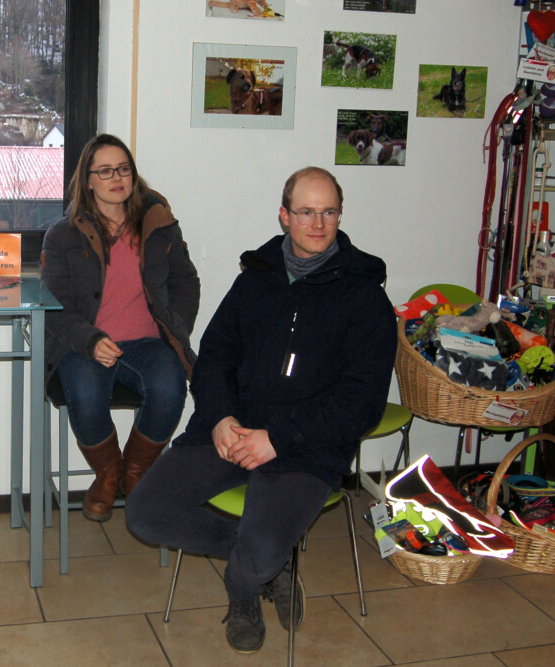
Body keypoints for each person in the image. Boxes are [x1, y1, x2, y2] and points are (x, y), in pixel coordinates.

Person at [126, 167, 397, 653]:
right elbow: (214, 357)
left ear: (340, 215)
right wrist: (220, 417)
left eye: (328, 212)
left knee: (260, 554)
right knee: (145, 514)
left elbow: (362, 404)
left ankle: (247, 585)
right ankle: (268, 561)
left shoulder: (365, 298)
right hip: (231, 431)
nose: (318, 223)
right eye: (305, 212)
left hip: (305, 449)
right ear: (284, 216)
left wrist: (278, 438)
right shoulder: (255, 279)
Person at [40, 134, 200, 522]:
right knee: (85, 392)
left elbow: (186, 281)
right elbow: (54, 307)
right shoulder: (63, 234)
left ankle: (135, 471)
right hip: (84, 345)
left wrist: (173, 329)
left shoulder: (159, 225)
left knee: (171, 386)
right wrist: (90, 340)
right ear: (88, 180)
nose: (117, 178)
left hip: (147, 343)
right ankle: (109, 474)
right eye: (105, 171)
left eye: (124, 169)